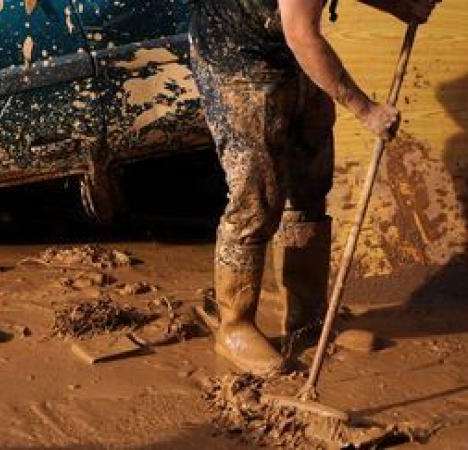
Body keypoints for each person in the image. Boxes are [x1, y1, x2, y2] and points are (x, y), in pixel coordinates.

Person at [189, 0, 440, 375]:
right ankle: (234, 326)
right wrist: (366, 110)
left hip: (287, 46)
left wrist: (399, 6)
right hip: (237, 54)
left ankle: (307, 317)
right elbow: (302, 34)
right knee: (257, 195)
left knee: (310, 179)